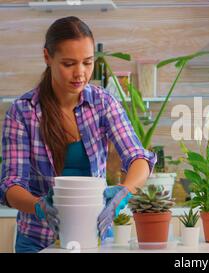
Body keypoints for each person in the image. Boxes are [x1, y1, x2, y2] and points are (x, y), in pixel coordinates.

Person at [0, 16, 156, 253]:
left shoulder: (102, 103)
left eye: (87, 62)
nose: (80, 73)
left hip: (97, 237)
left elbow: (138, 158)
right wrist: (39, 206)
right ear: (47, 57)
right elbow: (11, 185)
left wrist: (124, 192)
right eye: (69, 63)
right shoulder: (23, 112)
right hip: (37, 240)